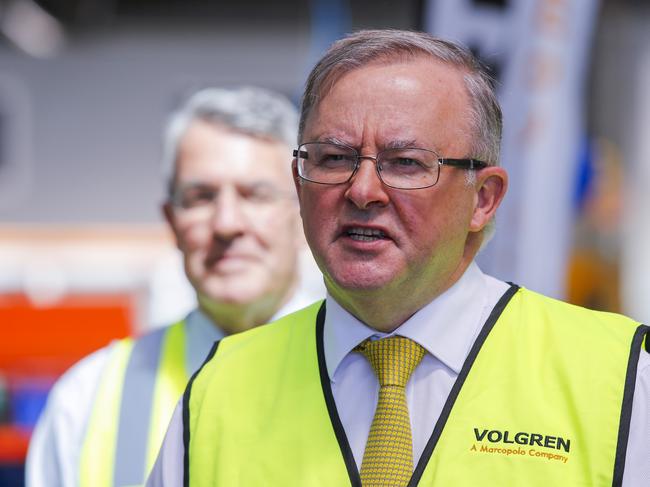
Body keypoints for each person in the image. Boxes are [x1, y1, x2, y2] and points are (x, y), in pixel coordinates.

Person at [147, 30, 650, 486]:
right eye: (334, 158)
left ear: (483, 198)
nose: (362, 190)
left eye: (406, 163)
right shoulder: (217, 392)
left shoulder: (619, 380)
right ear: (299, 182)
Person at [26, 86, 322, 487]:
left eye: (256, 195)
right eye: (200, 197)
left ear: (304, 213)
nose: (227, 224)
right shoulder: (87, 400)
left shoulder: (376, 382)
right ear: (171, 222)